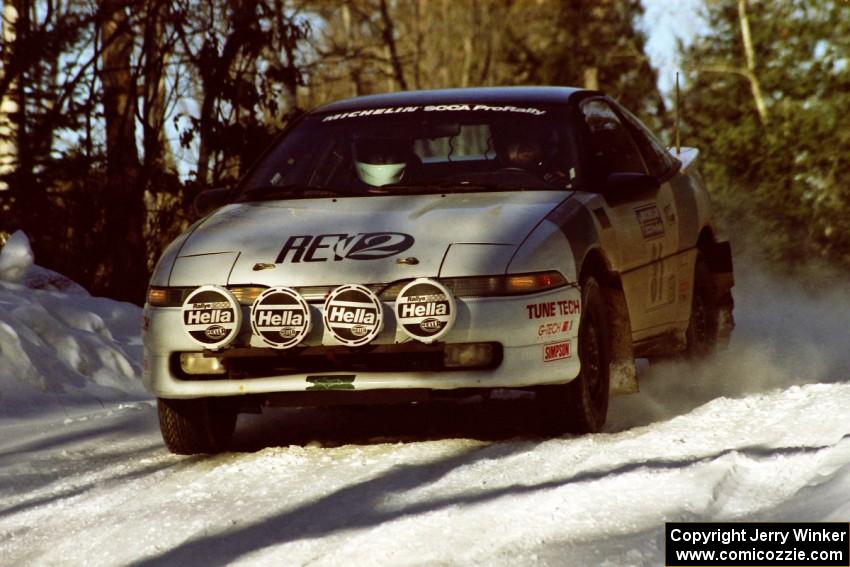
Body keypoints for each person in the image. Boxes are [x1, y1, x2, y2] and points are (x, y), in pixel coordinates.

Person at [352, 136, 416, 187]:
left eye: (388, 151)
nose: (381, 158)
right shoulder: (348, 189)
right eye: (375, 152)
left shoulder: (419, 184)